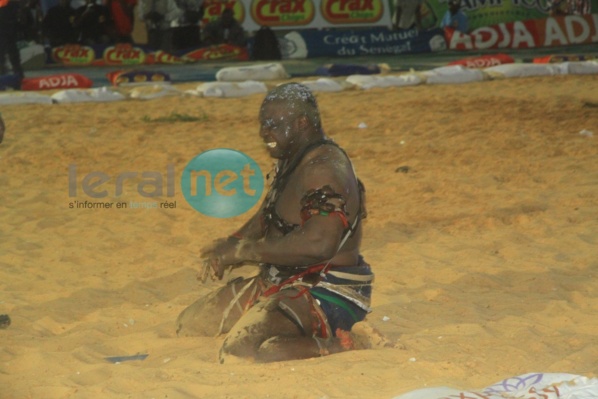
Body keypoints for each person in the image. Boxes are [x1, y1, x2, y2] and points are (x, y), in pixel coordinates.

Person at [176, 83, 374, 363]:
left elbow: (319, 243)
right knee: (189, 325)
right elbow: (270, 214)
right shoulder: (294, 157)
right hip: (279, 279)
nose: (263, 132)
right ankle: (274, 315)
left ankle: (345, 344)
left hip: (326, 290)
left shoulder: (323, 169)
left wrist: (246, 251)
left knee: (242, 352)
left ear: (302, 122)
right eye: (262, 124)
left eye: (272, 124)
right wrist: (233, 242)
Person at [0, 0, 25, 83]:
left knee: (11, 53)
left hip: (8, 24)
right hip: (7, 25)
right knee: (8, 53)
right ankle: (17, 75)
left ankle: (18, 76)